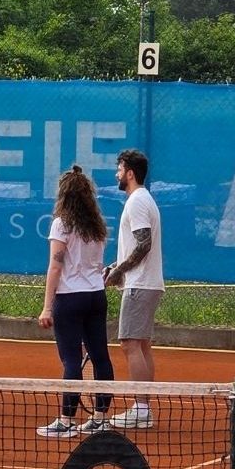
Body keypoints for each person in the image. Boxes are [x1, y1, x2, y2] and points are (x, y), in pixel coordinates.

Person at [36, 165, 115, 437]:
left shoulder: (61, 224)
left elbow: (55, 266)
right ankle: (100, 418)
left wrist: (47, 307)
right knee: (100, 357)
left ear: (64, 195)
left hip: (70, 299)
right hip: (96, 297)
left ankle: (66, 421)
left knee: (71, 360)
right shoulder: (97, 226)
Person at [105, 149, 164, 429]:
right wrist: (116, 265)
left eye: (119, 169)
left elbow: (144, 244)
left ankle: (141, 410)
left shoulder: (138, 201)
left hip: (139, 283)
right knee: (141, 345)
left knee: (129, 344)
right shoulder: (142, 199)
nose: (116, 174)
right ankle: (144, 408)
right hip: (145, 282)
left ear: (129, 173)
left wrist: (119, 271)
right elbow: (137, 246)